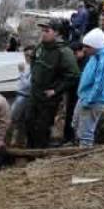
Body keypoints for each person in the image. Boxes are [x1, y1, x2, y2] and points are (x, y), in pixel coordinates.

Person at [27, 18, 80, 148]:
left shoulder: (64, 52)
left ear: (57, 33)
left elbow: (73, 75)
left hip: (48, 99)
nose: (43, 33)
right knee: (29, 123)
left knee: (42, 128)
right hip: (34, 94)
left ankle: (39, 156)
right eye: (42, 30)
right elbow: (33, 59)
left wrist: (55, 90)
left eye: (47, 30)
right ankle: (30, 152)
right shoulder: (41, 46)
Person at [73, 28, 104, 147]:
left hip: (94, 100)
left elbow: (100, 86)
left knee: (86, 131)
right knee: (76, 123)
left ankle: (84, 154)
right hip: (85, 95)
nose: (84, 49)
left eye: (87, 46)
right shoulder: (95, 54)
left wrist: (89, 101)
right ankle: (77, 147)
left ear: (96, 46)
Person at [9, 46, 34, 147]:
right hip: (21, 95)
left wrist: (21, 72)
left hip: (24, 96)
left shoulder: (33, 68)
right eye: (26, 55)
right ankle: (19, 142)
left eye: (29, 55)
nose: (27, 57)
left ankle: (15, 142)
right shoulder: (28, 65)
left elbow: (27, 85)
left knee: (12, 119)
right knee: (21, 122)